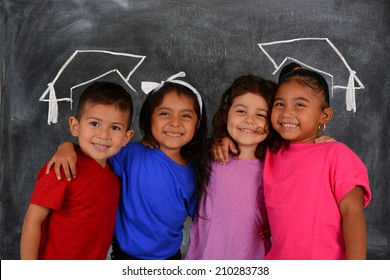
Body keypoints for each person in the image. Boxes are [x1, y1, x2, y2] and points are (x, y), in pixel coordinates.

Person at [213, 63, 372, 260]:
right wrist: (222, 138)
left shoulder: (336, 153)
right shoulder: (271, 152)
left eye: (299, 104)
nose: (287, 112)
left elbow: (352, 213)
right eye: (279, 104)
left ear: (325, 115)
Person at [45, 72, 210, 260]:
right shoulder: (130, 154)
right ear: (149, 118)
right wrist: (67, 147)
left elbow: (201, 214)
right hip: (124, 256)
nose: (175, 122)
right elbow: (95, 150)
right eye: (164, 113)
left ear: (197, 125)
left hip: (169, 258)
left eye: (186, 116)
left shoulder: (196, 170)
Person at [20, 82, 134, 259]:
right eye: (94, 123)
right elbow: (33, 221)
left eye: (115, 128)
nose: (103, 135)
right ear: (75, 126)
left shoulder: (115, 174)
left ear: (126, 137)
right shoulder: (61, 168)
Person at [185, 75, 274, 260]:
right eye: (241, 111)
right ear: (226, 114)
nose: (249, 120)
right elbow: (178, 145)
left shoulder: (275, 163)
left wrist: (274, 223)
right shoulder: (212, 153)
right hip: (207, 253)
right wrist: (217, 140)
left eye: (260, 115)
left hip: (250, 254)